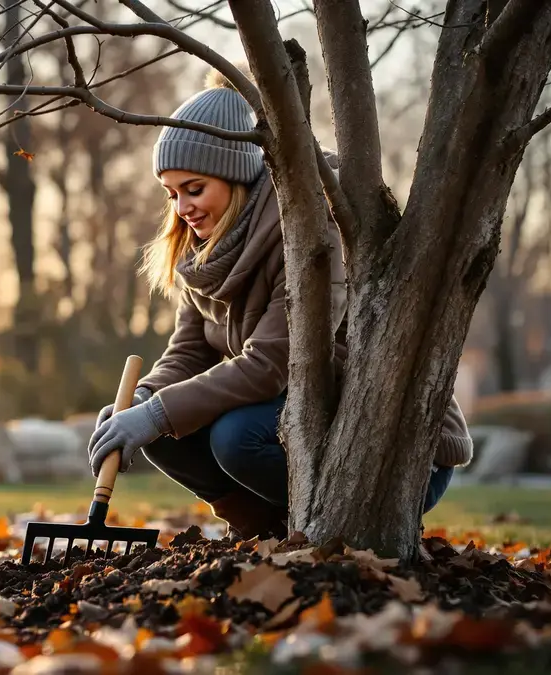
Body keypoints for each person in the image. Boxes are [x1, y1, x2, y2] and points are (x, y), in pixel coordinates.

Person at [86, 70, 474, 540]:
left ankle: (334, 534)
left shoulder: (311, 227)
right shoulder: (200, 251)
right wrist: (145, 400)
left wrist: (154, 413)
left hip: (387, 454)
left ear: (236, 176)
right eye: (172, 194)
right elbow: (190, 350)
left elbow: (275, 360)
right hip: (294, 420)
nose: (182, 207)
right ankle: (265, 535)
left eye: (194, 188)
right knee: (167, 437)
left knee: (234, 436)